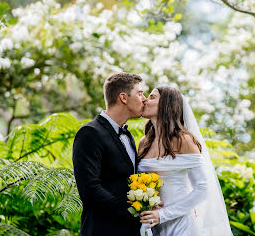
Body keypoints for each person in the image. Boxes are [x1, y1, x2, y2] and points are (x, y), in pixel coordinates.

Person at [137, 86, 233, 236]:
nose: (145, 101)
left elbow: (202, 189)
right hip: (151, 226)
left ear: (166, 105)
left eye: (152, 97)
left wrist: (163, 215)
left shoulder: (184, 140)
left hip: (180, 225)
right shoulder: (144, 142)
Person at [72, 72, 146, 236]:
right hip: (101, 229)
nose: (144, 99)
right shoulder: (89, 133)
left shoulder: (129, 136)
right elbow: (89, 190)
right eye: (140, 93)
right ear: (123, 98)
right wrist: (132, 211)